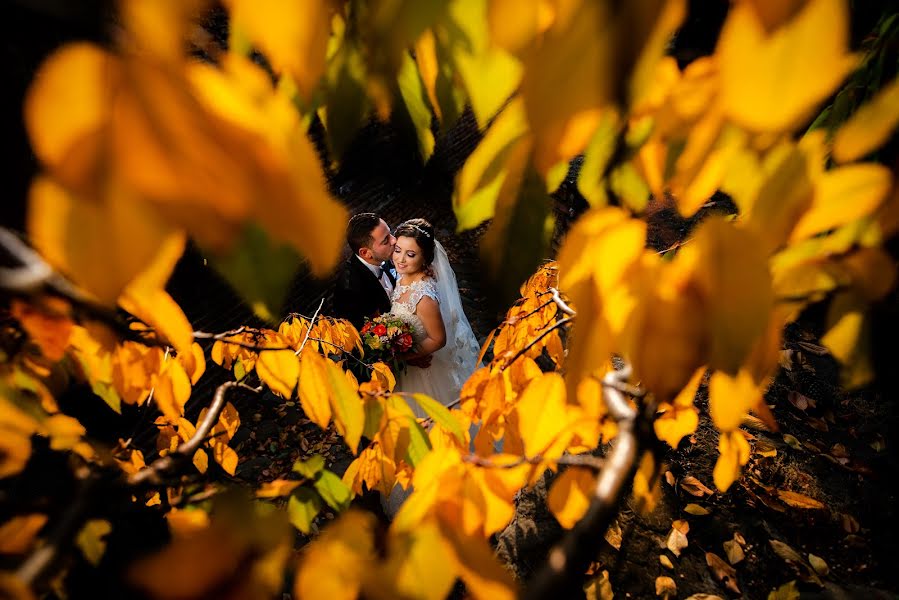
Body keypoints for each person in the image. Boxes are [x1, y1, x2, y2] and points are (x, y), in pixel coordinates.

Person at [389, 218, 480, 416]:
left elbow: (438, 339)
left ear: (425, 258)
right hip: (406, 370)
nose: (401, 259)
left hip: (424, 371)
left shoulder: (424, 297)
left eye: (410, 254)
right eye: (398, 250)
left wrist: (403, 357)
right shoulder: (401, 276)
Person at [332, 212, 397, 331]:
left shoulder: (384, 255)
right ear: (365, 253)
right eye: (385, 240)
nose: (394, 240)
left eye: (390, 233)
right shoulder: (350, 290)